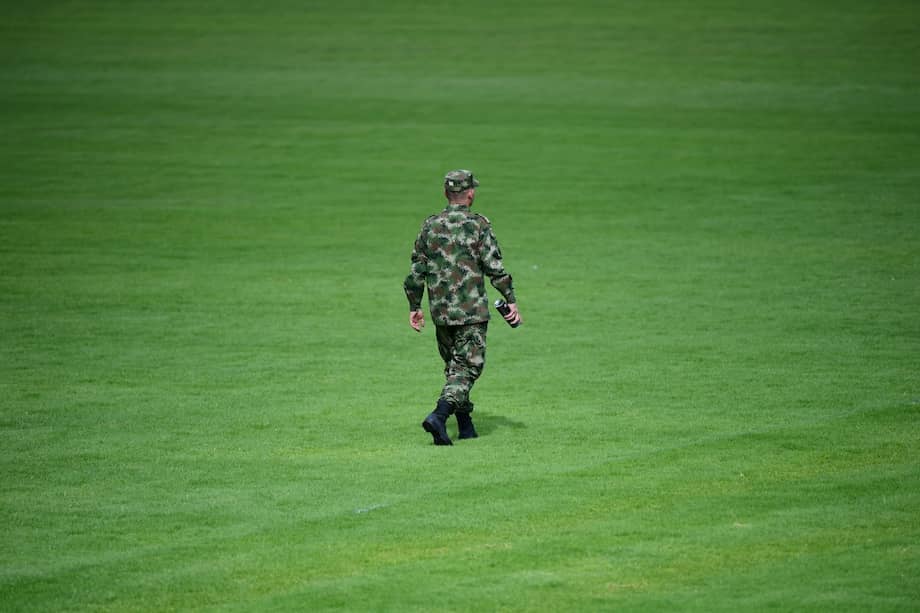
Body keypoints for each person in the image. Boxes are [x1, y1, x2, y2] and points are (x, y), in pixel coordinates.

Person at [403, 169, 521, 445]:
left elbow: (416, 271)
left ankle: (466, 426)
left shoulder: (430, 226)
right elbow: (495, 267)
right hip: (471, 313)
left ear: (446, 194)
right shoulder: (478, 224)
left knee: (454, 368)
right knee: (467, 369)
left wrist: (414, 306)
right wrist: (511, 299)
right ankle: (439, 416)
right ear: (470, 194)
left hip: (441, 313)